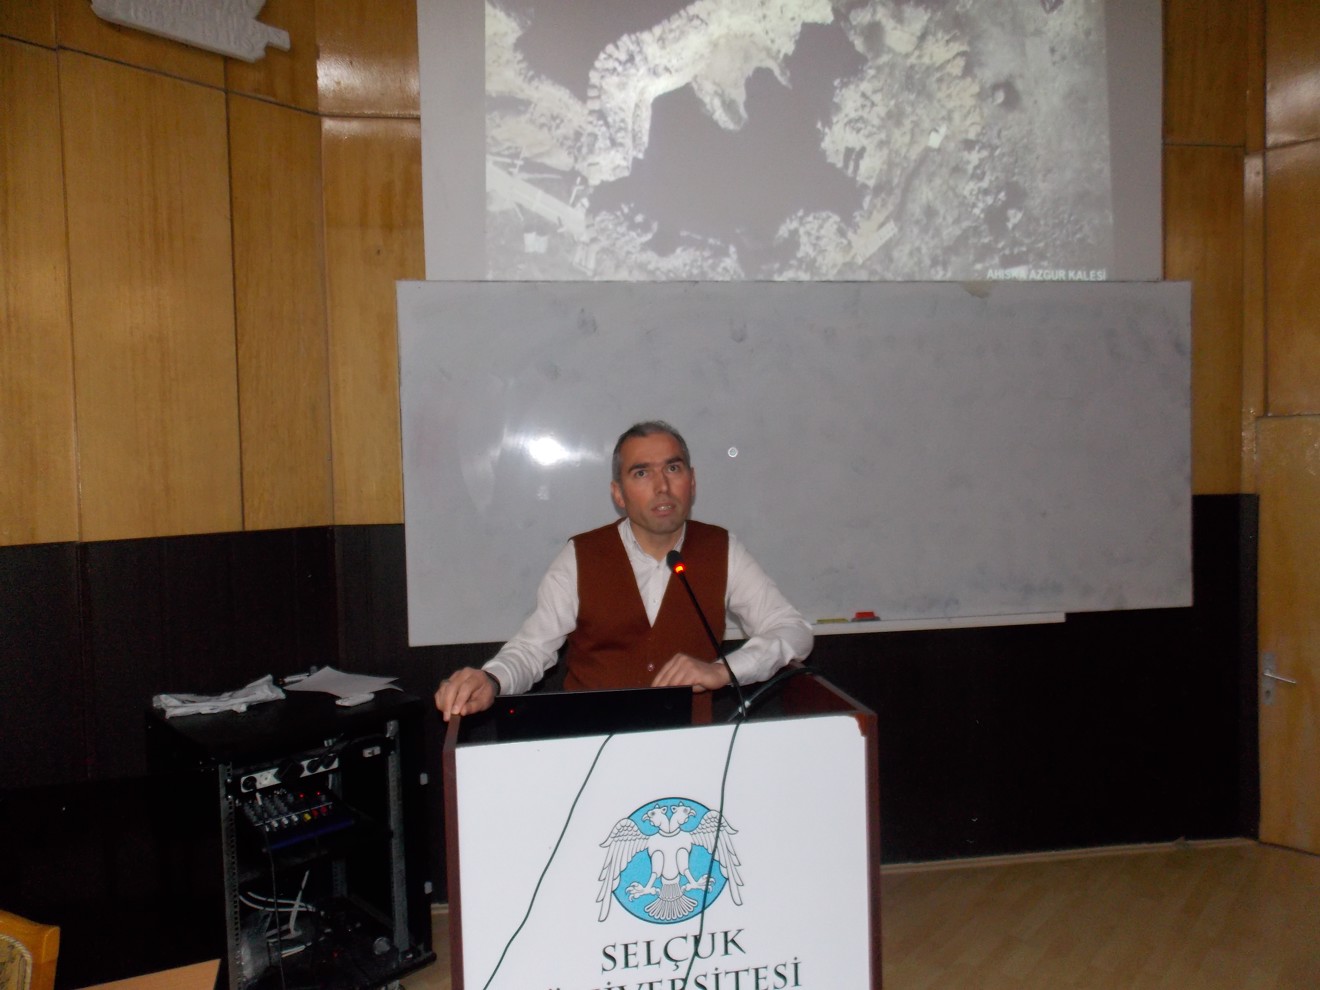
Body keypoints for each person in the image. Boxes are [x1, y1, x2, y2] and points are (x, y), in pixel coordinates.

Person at [434, 421, 813, 721]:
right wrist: (491, 679)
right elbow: (532, 649)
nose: (662, 486)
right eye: (642, 473)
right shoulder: (580, 556)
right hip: (592, 747)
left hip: (690, 750)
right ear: (618, 493)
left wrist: (722, 671)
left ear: (692, 481)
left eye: (673, 468)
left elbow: (792, 630)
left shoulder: (722, 549)